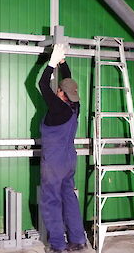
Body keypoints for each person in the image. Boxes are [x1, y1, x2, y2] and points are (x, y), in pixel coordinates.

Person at [39, 44, 87, 253]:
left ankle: (58, 245)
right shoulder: (74, 106)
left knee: (51, 202)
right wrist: (63, 62)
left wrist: (51, 64)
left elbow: (42, 84)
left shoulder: (57, 107)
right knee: (69, 197)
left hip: (54, 164)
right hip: (69, 161)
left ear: (60, 93)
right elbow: (68, 81)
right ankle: (78, 240)